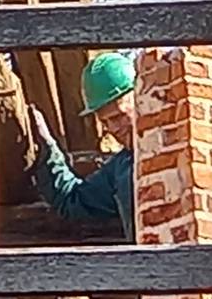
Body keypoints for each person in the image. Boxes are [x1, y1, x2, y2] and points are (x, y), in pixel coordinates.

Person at [31, 52, 137, 221]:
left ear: (140, 98)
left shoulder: (177, 137)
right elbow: (73, 200)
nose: (113, 128)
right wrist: (48, 148)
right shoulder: (120, 168)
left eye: (118, 116)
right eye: (104, 122)